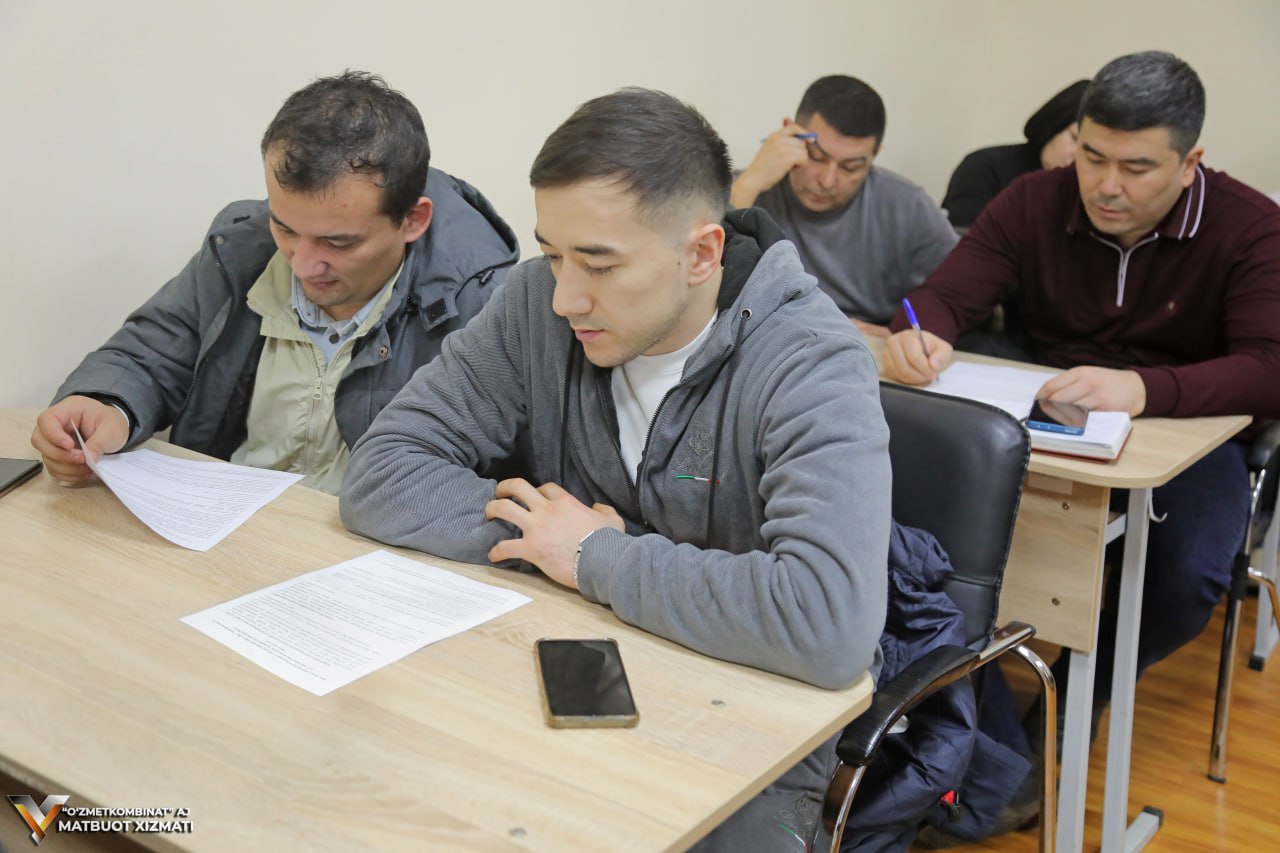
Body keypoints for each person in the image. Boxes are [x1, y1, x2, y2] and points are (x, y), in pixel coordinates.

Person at [341, 88, 891, 850]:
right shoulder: (536, 301)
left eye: (598, 263)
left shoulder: (811, 359)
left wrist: (597, 555)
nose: (565, 296)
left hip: (747, 722)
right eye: (553, 252)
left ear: (701, 255)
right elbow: (382, 473)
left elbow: (828, 621)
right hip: (569, 664)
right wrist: (554, 544)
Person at [883, 51, 1280, 755]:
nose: (1105, 185)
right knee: (932, 537)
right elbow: (941, 295)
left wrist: (1144, 389)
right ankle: (972, 723)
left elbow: (1269, 368)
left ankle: (1076, 696)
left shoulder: (1250, 226)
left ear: (1190, 163)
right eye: (1092, 157)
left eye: (1137, 168)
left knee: (1188, 576)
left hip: (1187, 430)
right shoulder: (1035, 199)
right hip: (1049, 420)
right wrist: (918, 333)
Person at [30, 71, 518, 494]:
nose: (302, 266)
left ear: (412, 220)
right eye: (285, 228)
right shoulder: (240, 251)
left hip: (370, 553)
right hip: (220, 531)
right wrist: (104, 405)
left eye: (338, 243)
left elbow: (505, 479)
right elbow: (148, 354)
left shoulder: (488, 307)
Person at [730, 75, 957, 336]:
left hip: (864, 346)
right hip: (764, 337)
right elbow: (700, 276)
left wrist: (900, 332)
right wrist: (749, 185)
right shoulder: (745, 189)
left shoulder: (905, 206)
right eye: (816, 156)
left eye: (851, 167)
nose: (827, 181)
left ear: (874, 155)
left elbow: (961, 290)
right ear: (789, 133)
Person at [942, 79, 1090, 229]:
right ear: (1053, 126)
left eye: (1092, 152)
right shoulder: (984, 167)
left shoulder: (1087, 192)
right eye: (1075, 138)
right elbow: (964, 238)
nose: (1078, 157)